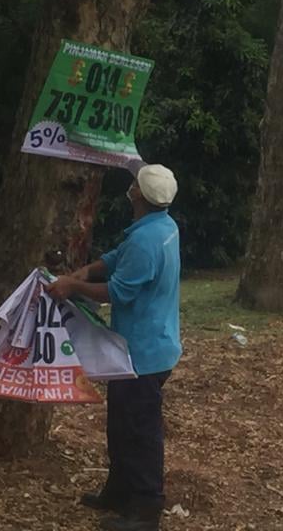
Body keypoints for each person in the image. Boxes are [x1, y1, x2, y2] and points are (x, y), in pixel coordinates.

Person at [45, 164, 181, 531]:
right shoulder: (162, 227)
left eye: (135, 184)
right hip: (148, 344)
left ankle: (146, 509)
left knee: (139, 428)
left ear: (138, 195)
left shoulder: (146, 240)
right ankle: (119, 491)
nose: (131, 187)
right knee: (122, 424)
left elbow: (118, 292)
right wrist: (85, 271)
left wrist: (72, 288)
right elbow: (118, 258)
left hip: (143, 352)